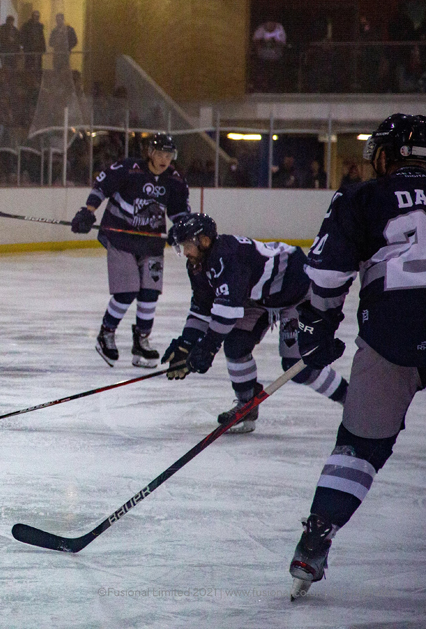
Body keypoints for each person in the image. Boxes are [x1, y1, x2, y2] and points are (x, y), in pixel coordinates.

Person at [288, 113, 426, 600]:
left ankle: (315, 540)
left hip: (392, 329)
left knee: (359, 447)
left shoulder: (361, 197)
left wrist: (319, 326)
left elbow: (326, 275)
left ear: (385, 157)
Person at [160, 213, 348, 434]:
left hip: (296, 297)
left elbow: (227, 312)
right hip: (258, 299)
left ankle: (351, 398)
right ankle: (246, 406)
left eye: (187, 246)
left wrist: (207, 347)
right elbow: (202, 307)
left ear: (204, 240)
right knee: (235, 346)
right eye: (181, 247)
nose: (185, 253)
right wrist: (186, 344)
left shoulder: (228, 257)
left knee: (297, 367)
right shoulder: (198, 265)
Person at [71, 133, 191, 368]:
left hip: (151, 242)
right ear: (150, 153)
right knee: (127, 291)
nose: (164, 160)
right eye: (160, 154)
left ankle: (141, 341)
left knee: (149, 293)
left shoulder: (174, 180)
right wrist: (88, 211)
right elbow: (101, 186)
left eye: (169, 156)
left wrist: (181, 228)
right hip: (121, 238)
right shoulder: (128, 169)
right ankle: (106, 333)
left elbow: (179, 212)